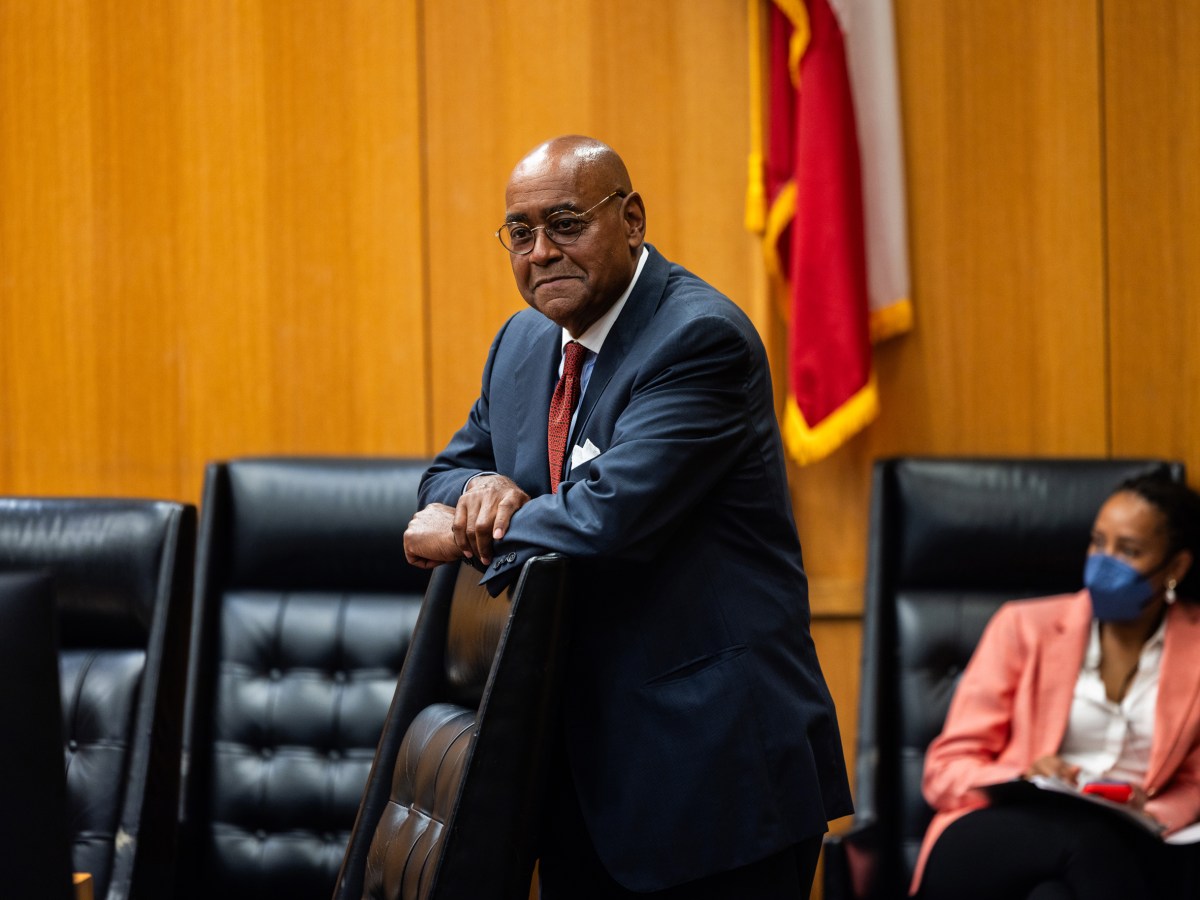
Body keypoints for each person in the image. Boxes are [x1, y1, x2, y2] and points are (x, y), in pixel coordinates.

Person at [403, 135, 851, 898]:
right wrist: (482, 484)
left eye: (566, 223)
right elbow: (445, 474)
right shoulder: (522, 343)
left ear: (633, 219)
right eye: (521, 232)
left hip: (714, 775)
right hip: (580, 776)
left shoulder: (698, 339)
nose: (542, 252)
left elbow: (605, 517)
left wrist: (464, 529)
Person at [914, 473, 1200, 899]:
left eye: (1129, 550)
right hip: (1002, 830)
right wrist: (1024, 776)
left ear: (1175, 567)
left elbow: (1195, 783)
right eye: (1097, 543)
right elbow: (944, 770)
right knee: (1087, 843)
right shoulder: (1022, 627)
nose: (1104, 562)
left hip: (1130, 842)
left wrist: (1150, 811)